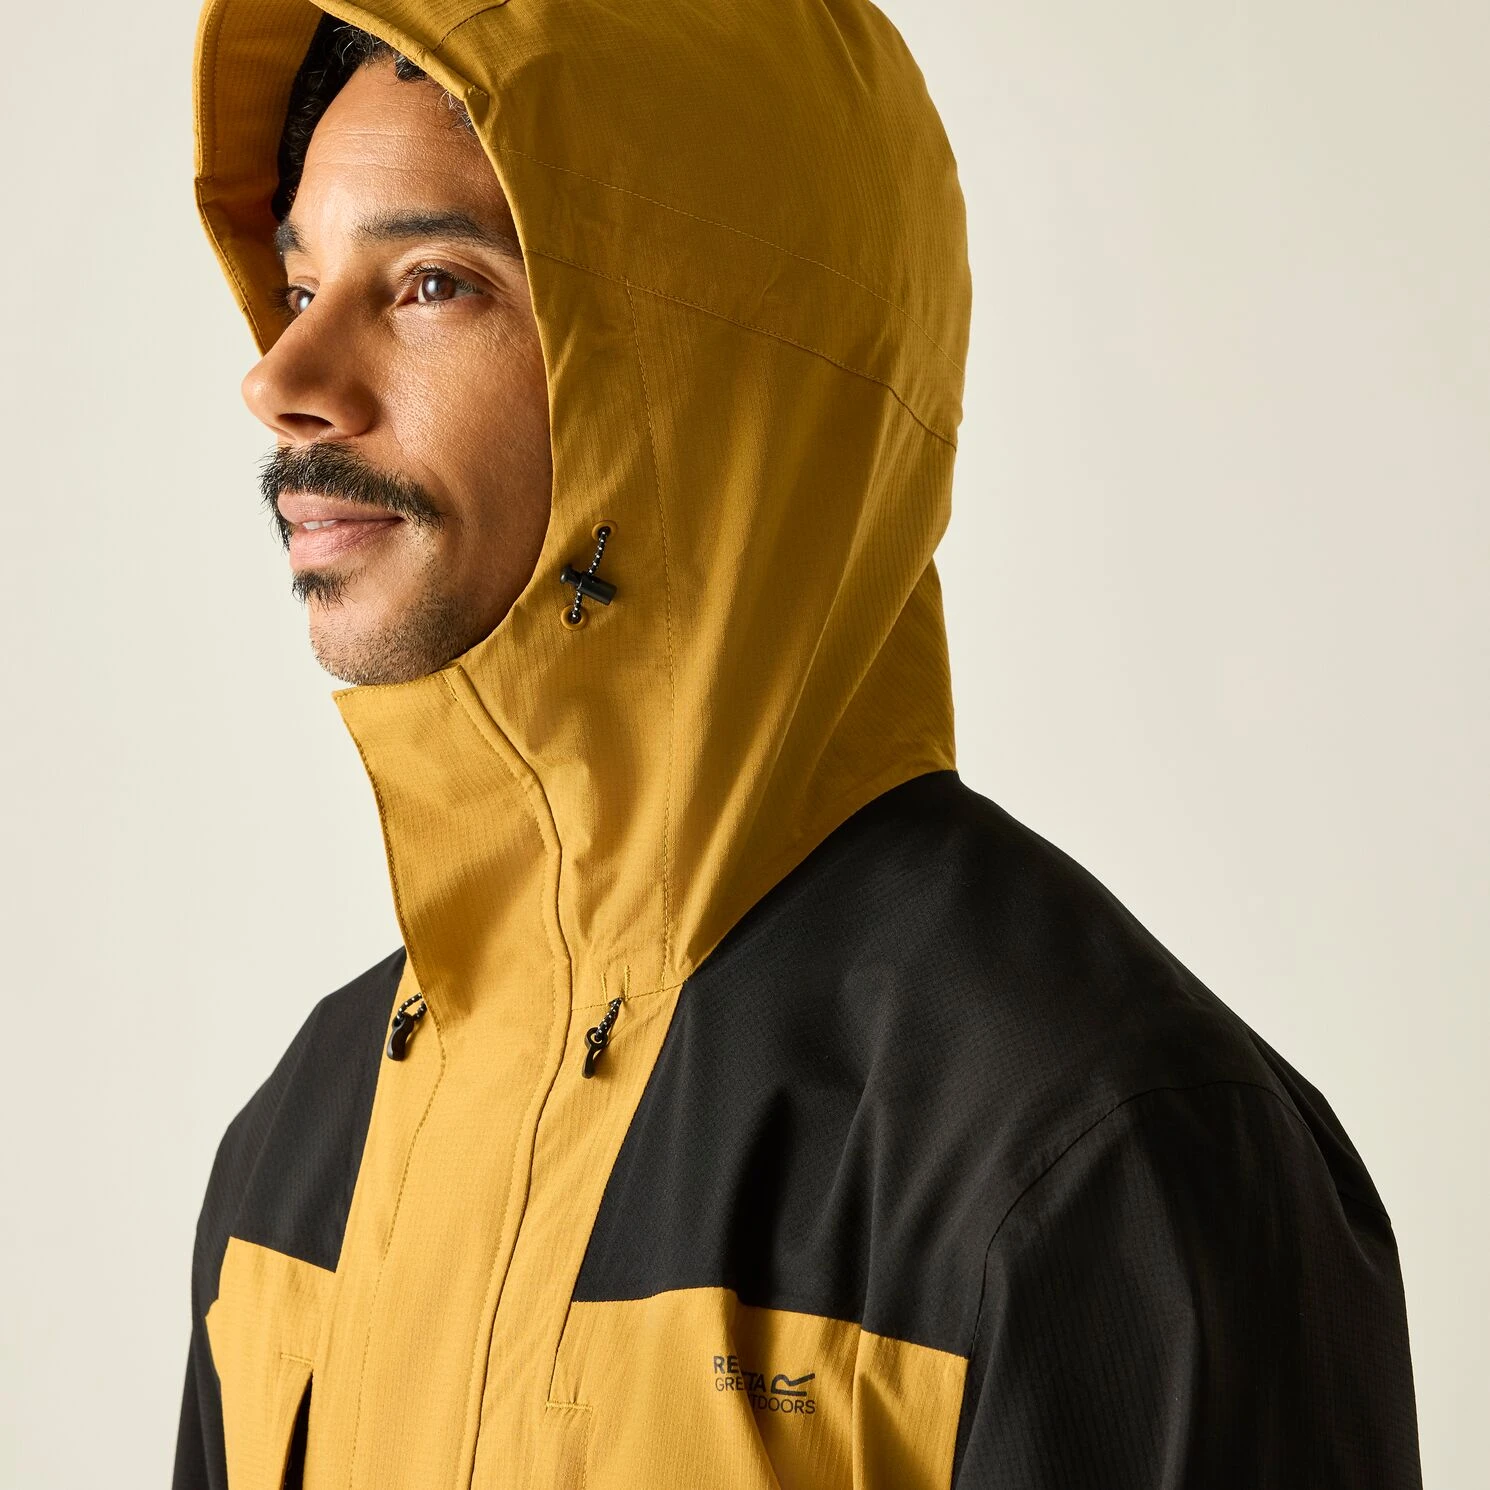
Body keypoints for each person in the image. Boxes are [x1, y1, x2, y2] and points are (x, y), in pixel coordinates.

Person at [175, 3, 1423, 1487]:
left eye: (432, 282)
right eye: (300, 283)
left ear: (698, 364)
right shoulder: (301, 1142)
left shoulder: (1088, 1149)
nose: (282, 376)